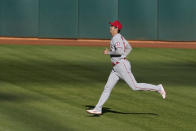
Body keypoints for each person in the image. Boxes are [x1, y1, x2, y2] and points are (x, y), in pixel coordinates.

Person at [86, 20, 166, 115]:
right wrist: (123, 56)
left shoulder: (116, 38)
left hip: (121, 66)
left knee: (135, 86)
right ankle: (98, 108)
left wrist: (109, 52)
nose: (110, 27)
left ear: (116, 29)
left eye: (112, 26)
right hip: (116, 69)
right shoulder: (120, 37)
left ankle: (158, 88)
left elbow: (119, 51)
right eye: (111, 25)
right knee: (107, 88)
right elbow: (129, 48)